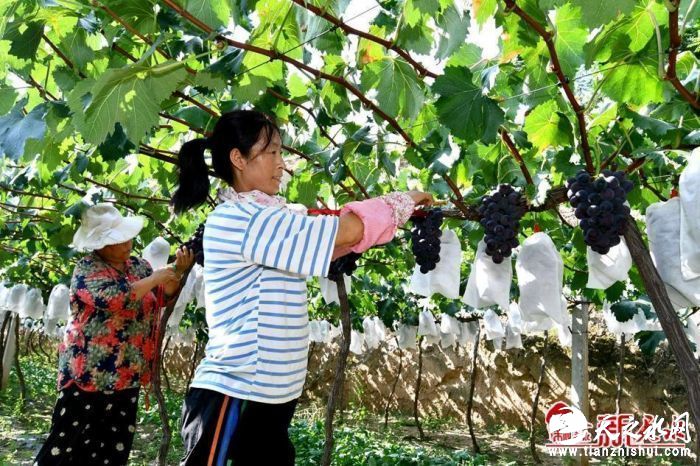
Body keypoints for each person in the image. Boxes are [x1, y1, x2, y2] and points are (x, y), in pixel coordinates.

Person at [171, 109, 433, 466]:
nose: (282, 163)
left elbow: (334, 244)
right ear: (238, 159)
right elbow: (348, 232)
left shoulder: (267, 217)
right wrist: (405, 200)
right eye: (272, 152)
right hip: (235, 394)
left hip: (268, 397)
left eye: (281, 152)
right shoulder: (241, 219)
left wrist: (382, 220)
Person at [34, 203, 194, 466]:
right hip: (89, 375)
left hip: (127, 373)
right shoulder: (87, 269)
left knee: (112, 449)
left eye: (126, 237)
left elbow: (161, 298)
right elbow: (114, 298)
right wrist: (156, 277)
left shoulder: (139, 266)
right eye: (118, 240)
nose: (127, 243)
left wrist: (176, 272)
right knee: (65, 446)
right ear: (100, 245)